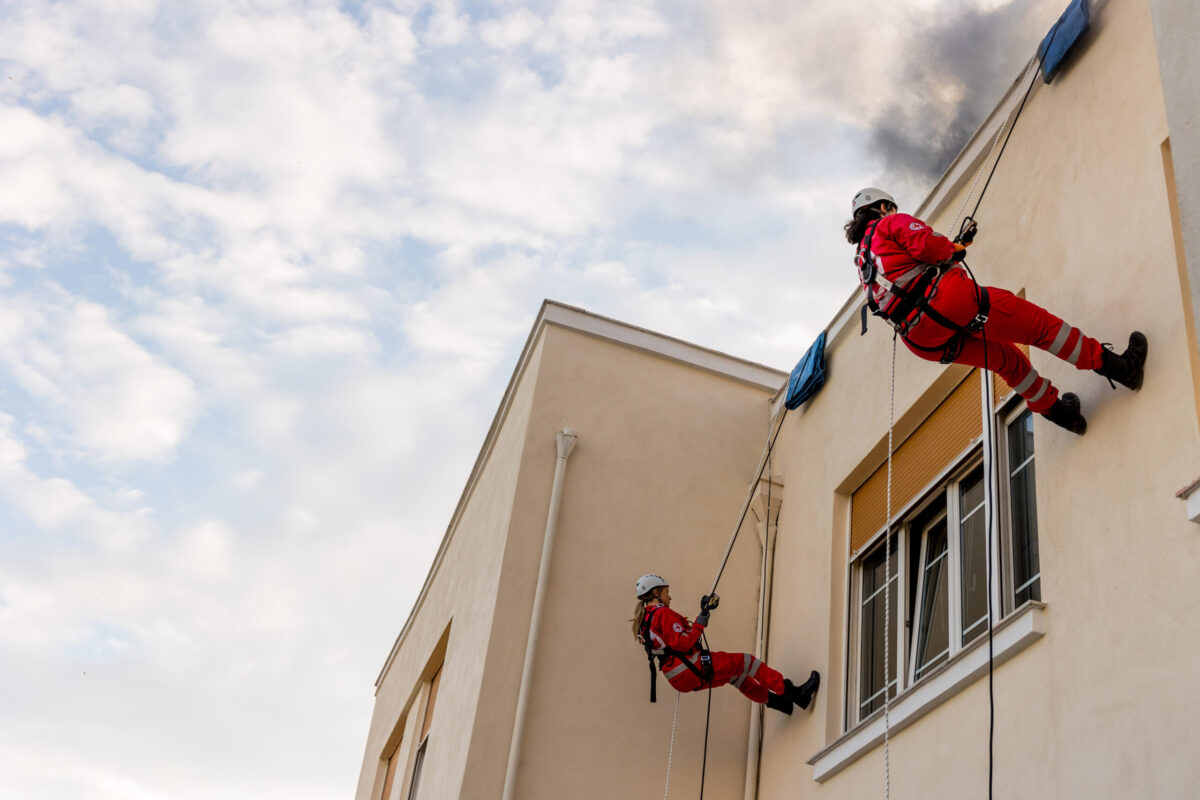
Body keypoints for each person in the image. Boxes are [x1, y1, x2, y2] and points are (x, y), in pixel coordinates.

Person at [845, 188, 1147, 435]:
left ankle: (1062, 416)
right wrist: (952, 250)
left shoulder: (862, 261)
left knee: (1006, 360)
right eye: (892, 208)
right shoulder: (888, 224)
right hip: (947, 302)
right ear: (883, 207)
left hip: (921, 339)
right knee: (1039, 327)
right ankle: (1121, 368)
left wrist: (953, 249)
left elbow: (904, 279)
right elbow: (929, 246)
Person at [631, 574, 819, 715]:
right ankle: (796, 694)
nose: (669, 597)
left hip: (678, 678)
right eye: (666, 592)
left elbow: (671, 644)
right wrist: (701, 622)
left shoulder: (645, 621)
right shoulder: (661, 613)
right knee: (747, 662)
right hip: (690, 666)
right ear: (656, 593)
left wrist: (701, 616)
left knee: (736, 676)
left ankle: (780, 704)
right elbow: (683, 643)